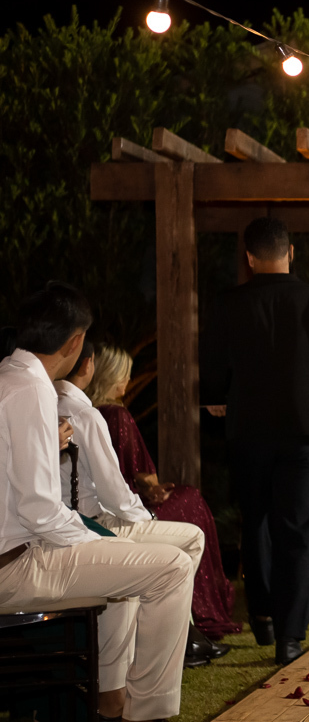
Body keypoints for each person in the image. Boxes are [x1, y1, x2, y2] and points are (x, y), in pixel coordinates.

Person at [0, 282, 194, 722]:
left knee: (144, 564)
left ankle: (115, 698)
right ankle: (146, 712)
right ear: (75, 343)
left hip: (19, 549)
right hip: (15, 564)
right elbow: (40, 510)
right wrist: (108, 543)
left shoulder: (9, 377)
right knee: (172, 567)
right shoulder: (31, 390)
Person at [201, 216, 309, 665]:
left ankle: (264, 615)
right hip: (304, 429)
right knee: (298, 531)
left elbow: (212, 363)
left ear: (249, 258)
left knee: (257, 522)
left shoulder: (228, 303)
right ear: (290, 253)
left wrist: (216, 396)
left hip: (248, 427)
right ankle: (290, 636)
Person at [62, 341, 233, 664]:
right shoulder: (98, 413)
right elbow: (119, 489)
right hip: (97, 519)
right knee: (191, 515)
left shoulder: (60, 406)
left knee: (184, 526)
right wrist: (147, 514)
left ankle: (183, 633)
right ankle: (171, 639)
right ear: (88, 366)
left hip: (84, 515)